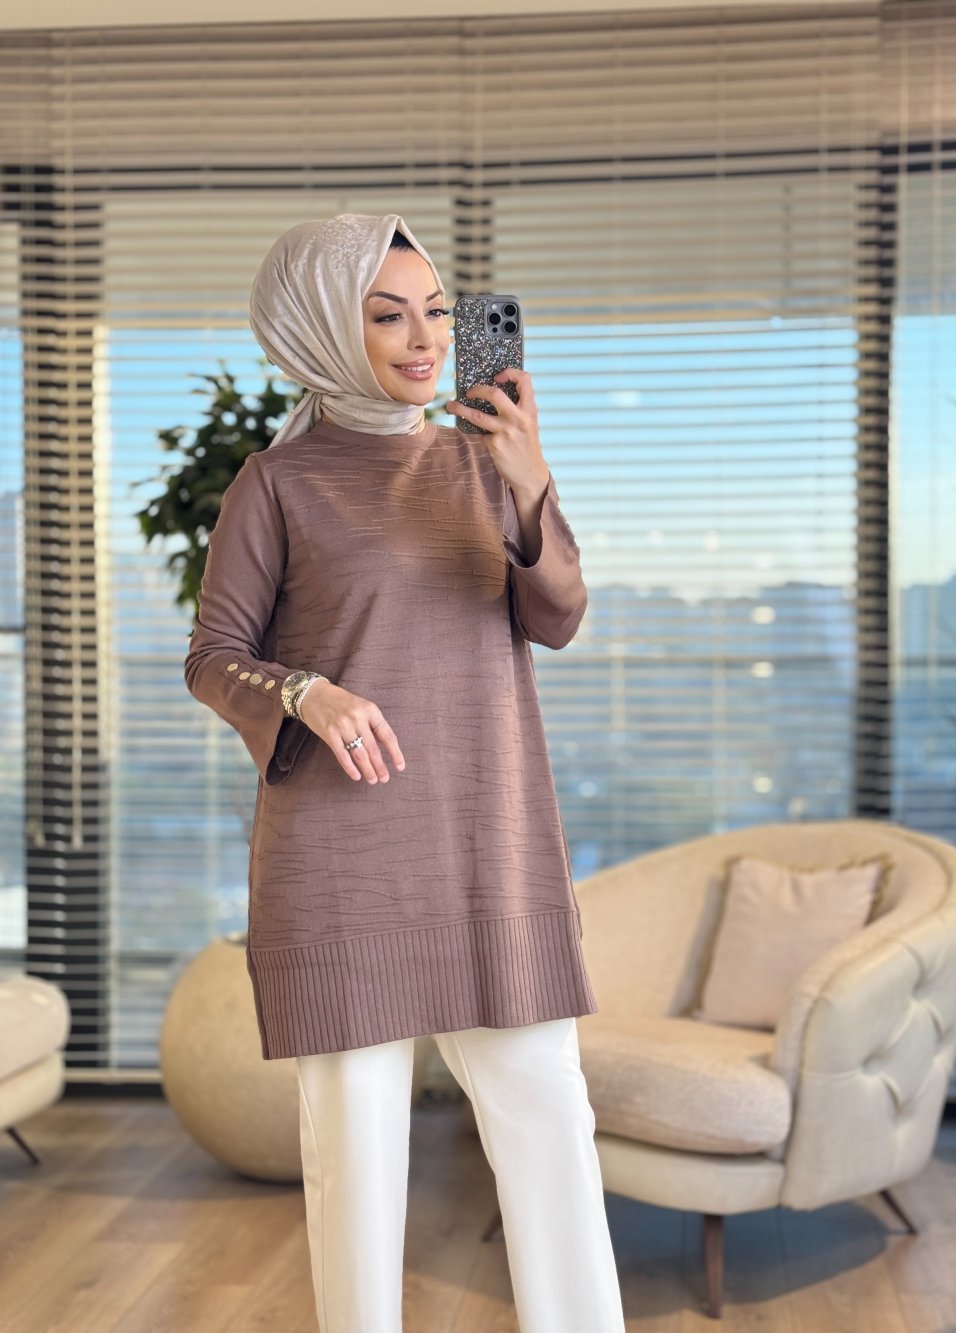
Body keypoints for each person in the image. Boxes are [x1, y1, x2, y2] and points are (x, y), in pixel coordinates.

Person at [183, 212, 626, 1333]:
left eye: (436, 310)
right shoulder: (276, 483)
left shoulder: (485, 463)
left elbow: (559, 617)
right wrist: (305, 691)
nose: (425, 339)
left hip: (490, 844)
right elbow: (213, 656)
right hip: (344, 861)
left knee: (553, 1131)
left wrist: (529, 482)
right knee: (358, 1165)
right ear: (325, 329)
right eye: (387, 315)